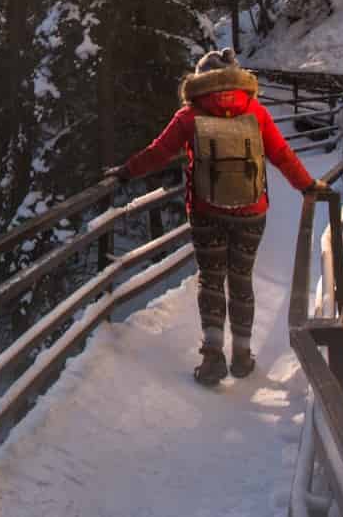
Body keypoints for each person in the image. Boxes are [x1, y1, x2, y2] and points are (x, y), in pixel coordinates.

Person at [113, 48, 325, 385]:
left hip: (206, 211)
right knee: (241, 280)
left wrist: (125, 171)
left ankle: (213, 356)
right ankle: (242, 355)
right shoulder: (255, 111)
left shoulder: (190, 115)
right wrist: (308, 185)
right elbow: (282, 155)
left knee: (211, 280)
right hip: (251, 211)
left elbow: (159, 153)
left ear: (200, 79)